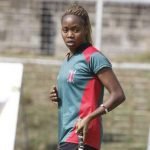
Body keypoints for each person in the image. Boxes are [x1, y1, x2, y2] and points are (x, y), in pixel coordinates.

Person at [50, 3, 126, 150]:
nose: (69, 34)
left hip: (83, 136)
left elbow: (118, 95)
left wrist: (90, 117)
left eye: (75, 30)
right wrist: (58, 94)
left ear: (85, 30)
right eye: (65, 30)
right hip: (65, 136)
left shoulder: (94, 57)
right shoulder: (67, 59)